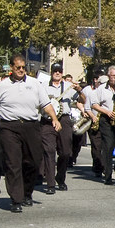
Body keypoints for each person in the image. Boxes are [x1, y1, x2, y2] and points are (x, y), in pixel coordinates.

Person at [0, 56, 61, 213]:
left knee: (33, 161)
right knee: (13, 162)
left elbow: (46, 104)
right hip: (9, 126)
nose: (21, 70)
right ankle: (16, 199)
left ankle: (27, 193)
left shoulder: (34, 84)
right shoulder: (2, 86)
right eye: (17, 67)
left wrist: (54, 118)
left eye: (23, 67)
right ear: (11, 67)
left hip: (31, 126)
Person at [91, 65, 115, 185]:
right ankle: (107, 175)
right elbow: (94, 104)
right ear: (108, 76)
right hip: (106, 119)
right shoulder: (102, 88)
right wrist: (107, 112)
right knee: (108, 147)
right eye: (113, 76)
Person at [40, 63, 76, 193]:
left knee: (66, 152)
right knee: (49, 151)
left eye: (59, 71)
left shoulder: (68, 86)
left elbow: (82, 99)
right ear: (51, 72)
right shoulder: (43, 86)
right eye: (55, 71)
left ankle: (60, 178)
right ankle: (50, 184)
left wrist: (79, 91)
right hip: (47, 121)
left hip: (64, 119)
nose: (57, 73)